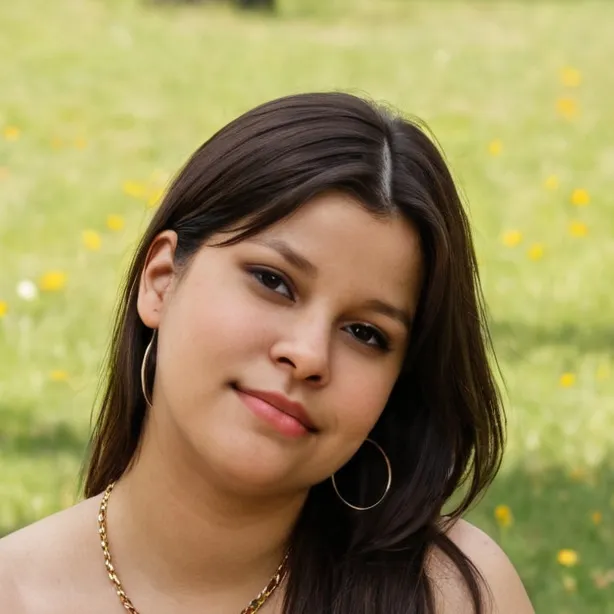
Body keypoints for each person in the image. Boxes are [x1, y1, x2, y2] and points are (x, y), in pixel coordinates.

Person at [0, 91, 534, 613]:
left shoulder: (453, 595)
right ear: (161, 281)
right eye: (273, 282)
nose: (308, 355)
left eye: (366, 333)